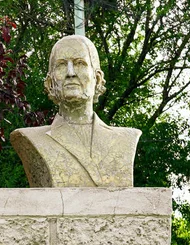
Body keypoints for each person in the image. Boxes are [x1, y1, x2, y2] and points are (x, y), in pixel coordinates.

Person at [11, 35, 141, 187]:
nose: (70, 73)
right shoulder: (29, 138)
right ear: (50, 82)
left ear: (97, 79)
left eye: (80, 63)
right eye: (61, 65)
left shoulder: (125, 139)